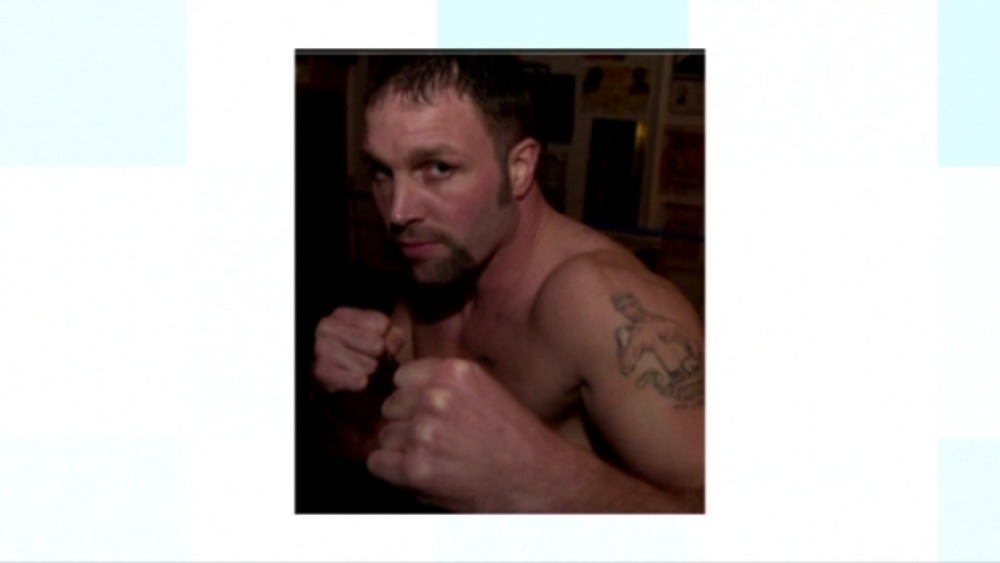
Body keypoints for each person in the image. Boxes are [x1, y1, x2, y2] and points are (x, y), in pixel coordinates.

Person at [313, 55, 704, 513]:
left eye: (437, 168)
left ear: (519, 167)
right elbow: (366, 446)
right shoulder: (439, 268)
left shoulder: (597, 303)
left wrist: (546, 481)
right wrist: (346, 392)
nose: (398, 212)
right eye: (382, 172)